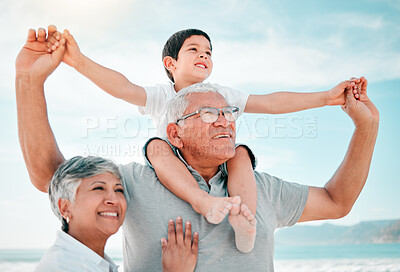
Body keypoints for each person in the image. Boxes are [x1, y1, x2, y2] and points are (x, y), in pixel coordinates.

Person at [16, 27, 379, 271]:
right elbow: (52, 175)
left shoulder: (258, 184)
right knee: (154, 148)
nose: (224, 120)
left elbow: (337, 201)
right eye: (209, 113)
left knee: (241, 156)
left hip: (238, 187)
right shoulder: (135, 179)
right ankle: (204, 200)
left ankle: (243, 221)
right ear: (177, 131)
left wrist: (363, 123)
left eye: (228, 113)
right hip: (162, 156)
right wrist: (32, 80)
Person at [35, 155, 199, 272]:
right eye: (98, 188)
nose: (114, 199)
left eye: (119, 190)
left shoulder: (96, 261)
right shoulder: (64, 266)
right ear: (65, 207)